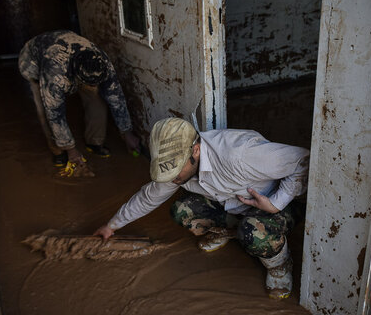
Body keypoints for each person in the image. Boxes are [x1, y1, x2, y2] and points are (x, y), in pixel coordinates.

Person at [94, 118, 309, 300]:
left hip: (278, 207)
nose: (173, 178)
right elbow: (147, 198)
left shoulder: (239, 154)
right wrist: (111, 226)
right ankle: (230, 232)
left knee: (253, 234)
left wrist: (276, 203)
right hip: (237, 205)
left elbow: (303, 159)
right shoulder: (178, 166)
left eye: (176, 171)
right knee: (182, 211)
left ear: (195, 150)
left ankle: (279, 264)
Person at [18, 30, 139, 168]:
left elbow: (116, 97)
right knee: (45, 109)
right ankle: (59, 151)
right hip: (34, 61)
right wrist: (71, 149)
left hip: (70, 49)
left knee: (96, 98)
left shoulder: (102, 62)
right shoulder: (55, 74)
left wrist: (126, 132)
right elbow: (54, 114)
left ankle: (94, 142)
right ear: (75, 76)